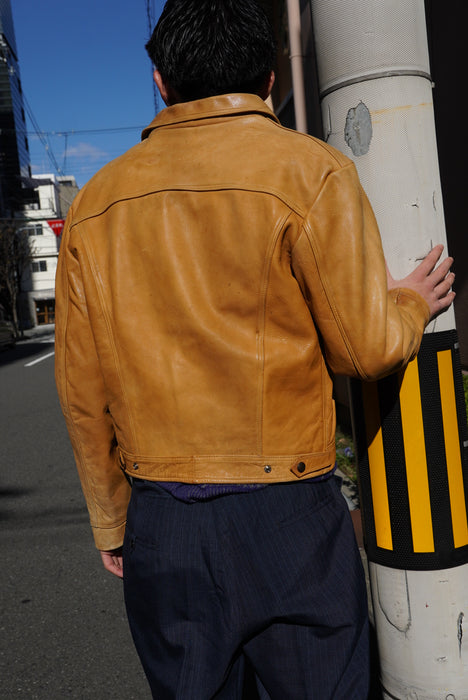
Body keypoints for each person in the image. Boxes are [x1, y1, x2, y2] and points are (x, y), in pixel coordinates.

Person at [54, 1, 455, 697]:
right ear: (270, 78)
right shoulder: (312, 172)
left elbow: (82, 391)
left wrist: (113, 520)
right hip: (290, 516)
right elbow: (365, 351)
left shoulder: (95, 202)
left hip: (163, 518)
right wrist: (412, 301)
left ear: (160, 82)